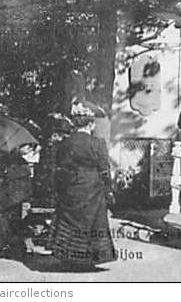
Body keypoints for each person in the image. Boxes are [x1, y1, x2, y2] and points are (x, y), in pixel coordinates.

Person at [48, 102, 116, 269]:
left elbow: (58, 167)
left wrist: (59, 189)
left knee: (70, 221)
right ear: (91, 124)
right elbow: (104, 169)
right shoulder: (97, 143)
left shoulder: (64, 143)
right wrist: (109, 190)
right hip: (92, 187)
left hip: (70, 186)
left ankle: (68, 257)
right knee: (93, 222)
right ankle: (88, 259)